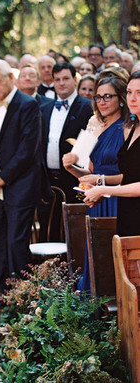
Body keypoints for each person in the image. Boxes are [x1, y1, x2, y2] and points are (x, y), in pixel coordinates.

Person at [0, 59, 42, 312]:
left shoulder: (28, 105)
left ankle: (21, 302)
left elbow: (27, 150)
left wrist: (3, 178)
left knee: (16, 244)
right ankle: (1, 300)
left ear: (10, 78)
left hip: (20, 185)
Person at [63, 72, 129, 290]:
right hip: (97, 202)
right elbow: (88, 176)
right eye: (98, 97)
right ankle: (94, 316)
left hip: (118, 201)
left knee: (113, 260)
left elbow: (129, 176)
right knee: (96, 258)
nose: (101, 102)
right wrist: (71, 168)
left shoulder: (128, 129)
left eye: (107, 97)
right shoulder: (96, 127)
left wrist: (101, 181)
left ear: (121, 98)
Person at [37, 61, 92, 240]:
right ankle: (49, 268)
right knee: (48, 229)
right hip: (47, 180)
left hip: (74, 178)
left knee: (73, 232)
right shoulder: (45, 108)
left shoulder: (87, 106)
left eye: (66, 78)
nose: (61, 83)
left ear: (75, 79)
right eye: (57, 79)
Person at [82, 71, 140, 236]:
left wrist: (103, 187)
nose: (133, 98)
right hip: (126, 212)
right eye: (129, 92)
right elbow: (129, 176)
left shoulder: (126, 128)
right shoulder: (134, 127)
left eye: (139, 93)